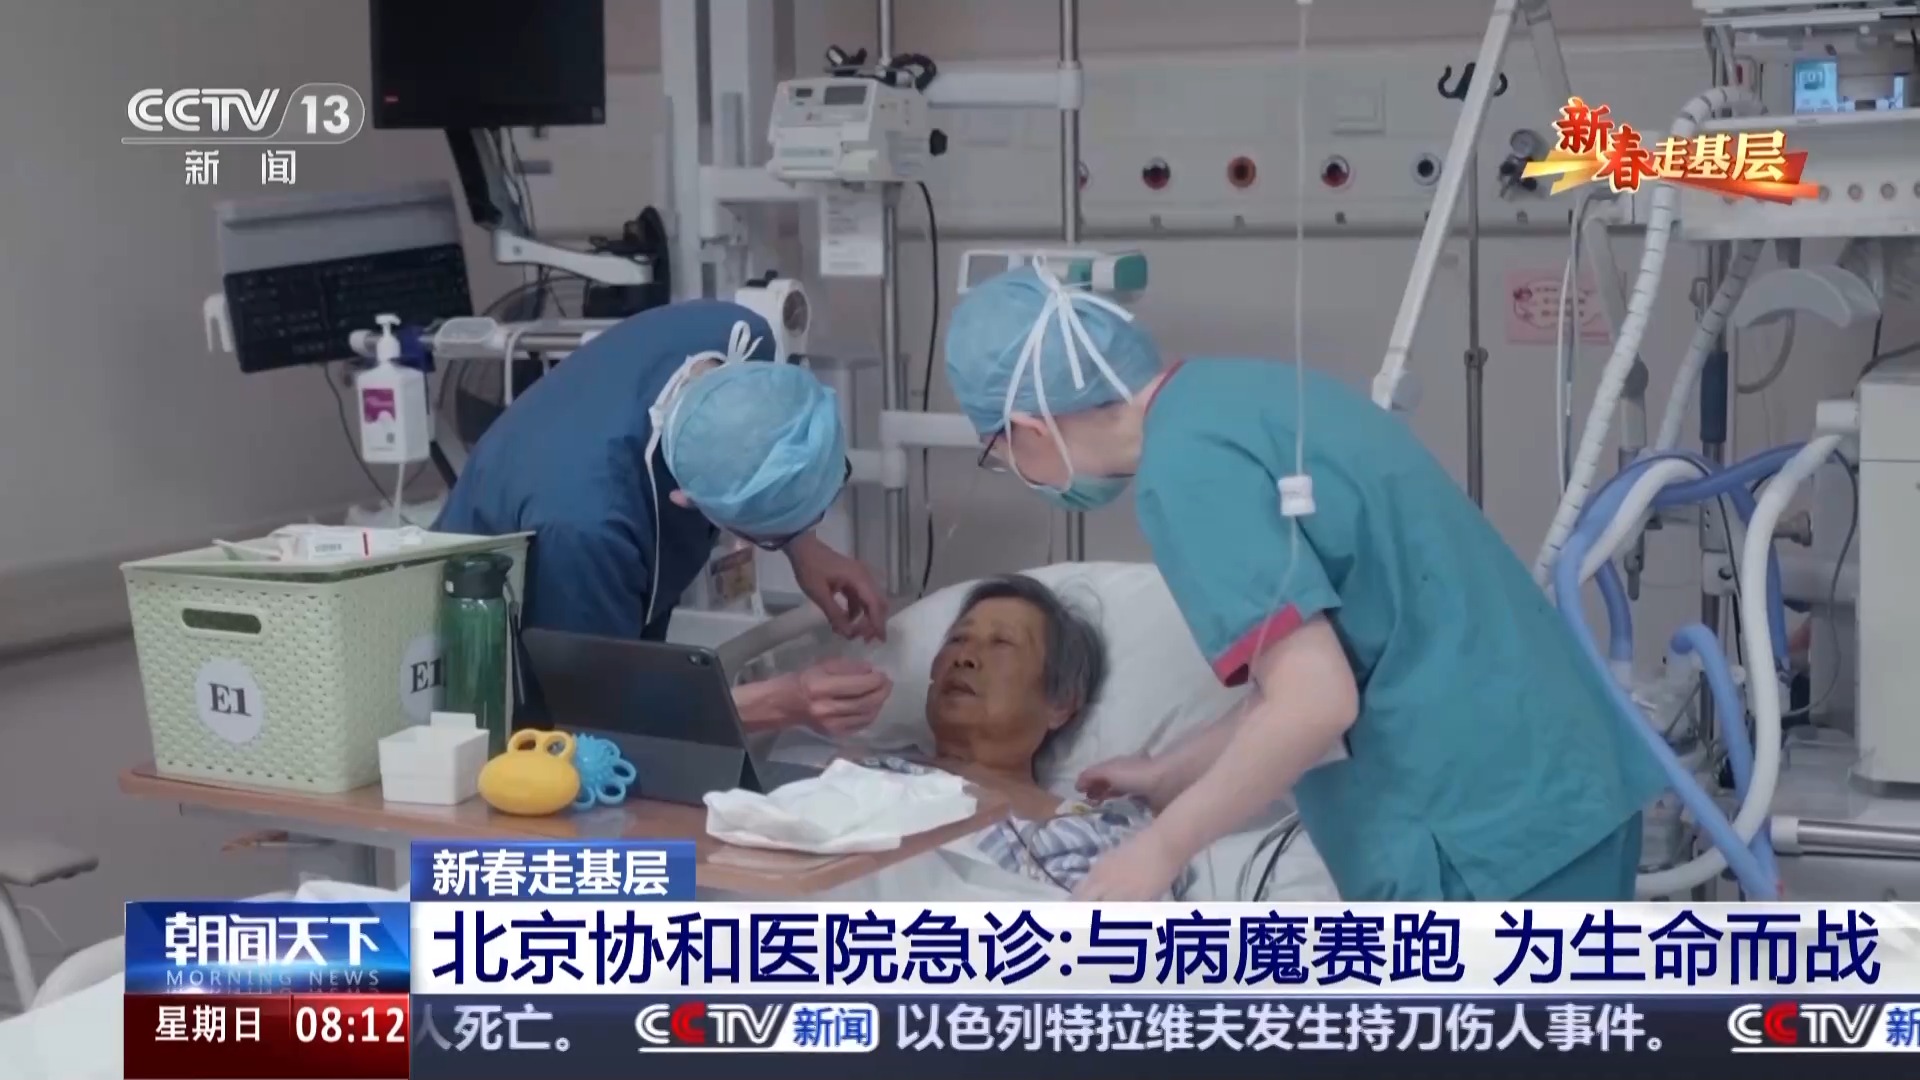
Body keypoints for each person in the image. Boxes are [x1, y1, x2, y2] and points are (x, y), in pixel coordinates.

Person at [939, 265, 1667, 902]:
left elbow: (1314, 702)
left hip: (1487, 833)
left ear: (1029, 429)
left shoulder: (1187, 471)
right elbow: (1320, 663)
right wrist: (1169, 774)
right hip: (1552, 791)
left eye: (998, 454)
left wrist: (1160, 851)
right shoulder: (1238, 398)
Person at [437, 299, 892, 735]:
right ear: (685, 499)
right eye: (767, 537)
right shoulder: (590, 529)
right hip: (483, 664)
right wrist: (783, 702)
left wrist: (802, 546)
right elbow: (597, 713)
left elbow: (759, 437)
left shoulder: (738, 338)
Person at [925, 573, 1108, 784]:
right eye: (957, 639)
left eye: (1001, 642)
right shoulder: (891, 772)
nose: (964, 657)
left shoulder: (1078, 808)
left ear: (1060, 704)